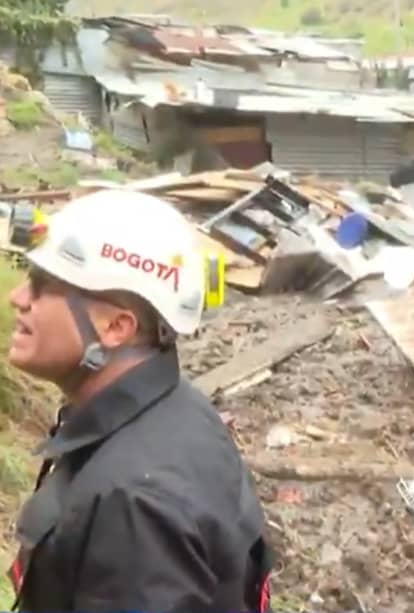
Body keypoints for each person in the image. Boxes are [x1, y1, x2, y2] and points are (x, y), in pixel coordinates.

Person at [5, 190, 272, 612]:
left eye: (41, 286)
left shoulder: (134, 507)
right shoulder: (177, 408)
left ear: (115, 327)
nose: (17, 298)